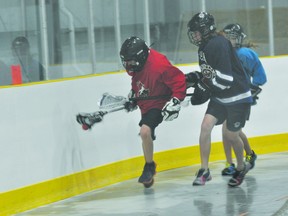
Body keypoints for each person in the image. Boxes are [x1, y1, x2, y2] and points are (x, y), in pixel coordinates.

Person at [186, 12, 253, 187]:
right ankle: (204, 170)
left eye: (197, 31)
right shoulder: (204, 47)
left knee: (231, 136)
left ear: (206, 30)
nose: (195, 35)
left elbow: (226, 79)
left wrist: (205, 87)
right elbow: (211, 74)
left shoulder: (219, 44)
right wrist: (198, 78)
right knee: (205, 126)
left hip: (238, 97)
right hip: (221, 96)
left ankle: (240, 167)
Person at [120, 36, 186, 187]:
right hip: (146, 101)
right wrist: (134, 96)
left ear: (140, 56)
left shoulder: (159, 64)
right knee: (146, 134)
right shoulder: (139, 64)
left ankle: (149, 166)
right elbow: (138, 80)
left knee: (144, 132)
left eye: (130, 60)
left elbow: (179, 80)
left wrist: (176, 100)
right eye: (126, 60)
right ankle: (149, 164)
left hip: (158, 102)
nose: (127, 64)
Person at [220, 23, 267, 176]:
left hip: (240, 99)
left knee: (230, 131)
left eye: (233, 38)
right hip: (227, 97)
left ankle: (237, 161)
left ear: (239, 38)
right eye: (229, 38)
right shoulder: (224, 53)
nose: (231, 41)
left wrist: (251, 89)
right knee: (229, 131)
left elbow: (260, 77)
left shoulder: (245, 54)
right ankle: (238, 159)